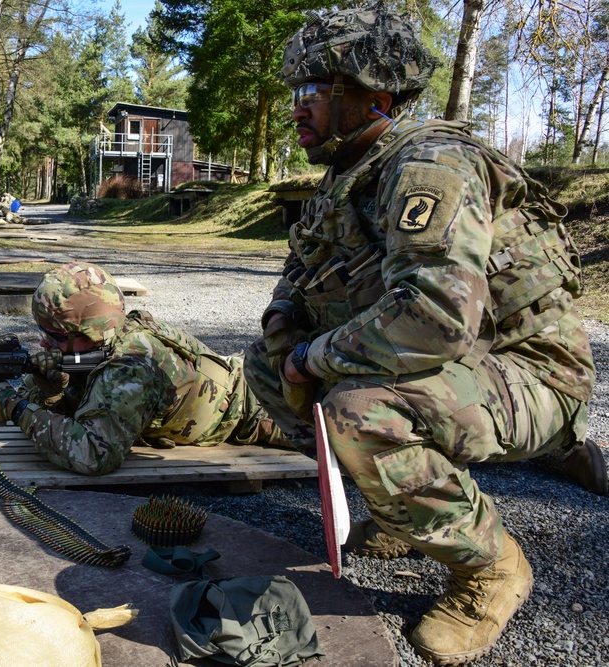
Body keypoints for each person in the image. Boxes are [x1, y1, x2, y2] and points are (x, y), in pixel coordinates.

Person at [243, 4, 605, 665]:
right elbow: (298, 281)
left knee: (357, 413)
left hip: (530, 367)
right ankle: (404, 511)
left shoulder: (428, 165)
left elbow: (435, 315)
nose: (299, 106)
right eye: (297, 91)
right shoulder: (344, 175)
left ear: (373, 95)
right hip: (463, 363)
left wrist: (311, 358)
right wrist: (282, 338)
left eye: (316, 90)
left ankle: (491, 569)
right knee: (266, 370)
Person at [0, 261, 289, 476]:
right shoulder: (104, 344)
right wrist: (51, 391)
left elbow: (93, 453)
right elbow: (84, 409)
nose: (44, 344)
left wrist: (18, 409)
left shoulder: (129, 369)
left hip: (262, 408)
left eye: (54, 336)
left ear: (88, 334)